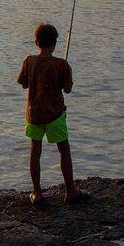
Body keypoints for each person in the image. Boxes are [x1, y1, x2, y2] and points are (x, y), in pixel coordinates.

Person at [18, 23, 83, 205]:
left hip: (34, 115)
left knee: (35, 152)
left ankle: (37, 193)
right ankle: (70, 190)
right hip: (55, 115)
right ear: (55, 43)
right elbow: (68, 90)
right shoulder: (61, 64)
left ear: (36, 42)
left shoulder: (29, 61)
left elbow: (24, 84)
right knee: (64, 150)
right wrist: (67, 74)